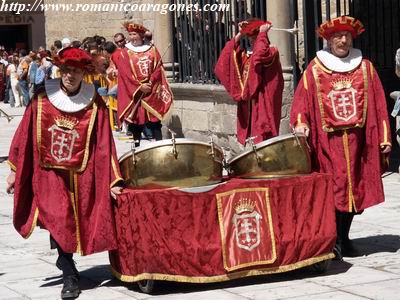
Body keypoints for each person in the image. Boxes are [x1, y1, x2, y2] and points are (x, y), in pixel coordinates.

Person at [5, 47, 124, 299]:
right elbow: (24, 135)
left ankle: (64, 261)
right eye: (67, 70)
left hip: (82, 173)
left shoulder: (94, 102)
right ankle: (69, 273)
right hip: (48, 172)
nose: (70, 75)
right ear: (61, 71)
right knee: (58, 218)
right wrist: (15, 171)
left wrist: (112, 178)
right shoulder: (41, 97)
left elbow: (104, 142)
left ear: (84, 74)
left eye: (76, 71)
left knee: (73, 220)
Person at [290, 16, 391, 259]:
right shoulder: (315, 69)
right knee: (332, 191)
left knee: (355, 191)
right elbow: (301, 103)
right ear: (329, 40)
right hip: (328, 144)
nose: (343, 40)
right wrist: (301, 125)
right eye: (337, 36)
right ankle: (333, 239)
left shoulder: (365, 68)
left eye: (346, 36)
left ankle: (344, 237)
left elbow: (378, 104)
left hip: (359, 143)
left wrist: (384, 138)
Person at [214, 19, 284, 145]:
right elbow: (225, 59)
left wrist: (262, 34)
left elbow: (258, 57)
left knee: (264, 143)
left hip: (262, 105)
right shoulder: (245, 55)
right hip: (247, 107)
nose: (251, 40)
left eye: (254, 37)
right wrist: (240, 34)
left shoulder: (271, 52)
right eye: (250, 37)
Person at [117, 22, 173, 145]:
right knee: (136, 122)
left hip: (151, 90)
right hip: (136, 92)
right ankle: (136, 147)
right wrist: (139, 86)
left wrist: (151, 82)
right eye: (130, 34)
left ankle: (159, 145)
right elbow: (125, 73)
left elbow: (158, 68)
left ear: (141, 35)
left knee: (154, 121)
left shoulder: (152, 50)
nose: (132, 37)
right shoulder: (125, 52)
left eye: (135, 34)